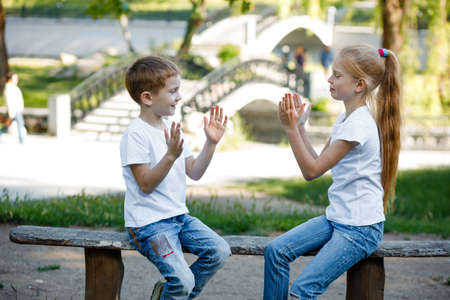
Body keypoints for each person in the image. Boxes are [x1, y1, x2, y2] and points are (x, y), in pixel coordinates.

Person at [264, 45, 401, 299]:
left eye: (337, 75)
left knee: (302, 290)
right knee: (276, 251)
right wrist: (301, 128)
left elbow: (310, 171)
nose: (330, 79)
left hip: (360, 228)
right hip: (337, 218)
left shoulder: (358, 125)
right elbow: (319, 162)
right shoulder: (345, 120)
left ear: (359, 85)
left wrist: (291, 129)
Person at [120, 55, 231, 300]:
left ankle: (169, 296)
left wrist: (210, 144)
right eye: (173, 91)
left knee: (219, 251)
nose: (179, 96)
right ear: (147, 98)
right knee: (182, 279)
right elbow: (146, 184)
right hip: (149, 226)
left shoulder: (171, 126)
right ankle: (175, 292)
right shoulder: (135, 135)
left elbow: (194, 171)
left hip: (179, 218)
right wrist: (170, 155)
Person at [4, 72, 26, 143]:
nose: (17, 80)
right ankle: (21, 140)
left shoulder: (13, 87)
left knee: (7, 125)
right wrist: (11, 113)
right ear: (10, 79)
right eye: (15, 79)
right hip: (14, 111)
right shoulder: (9, 89)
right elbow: (10, 102)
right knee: (20, 124)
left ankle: (21, 140)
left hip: (17, 110)